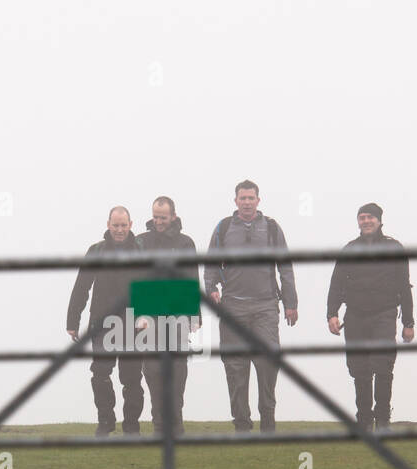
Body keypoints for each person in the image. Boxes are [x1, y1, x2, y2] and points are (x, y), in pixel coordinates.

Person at [204, 180, 298, 433]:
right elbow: (211, 264)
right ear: (235, 201)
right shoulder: (223, 228)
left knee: (268, 363)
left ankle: (267, 418)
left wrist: (291, 303)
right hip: (232, 306)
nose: (246, 202)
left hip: (266, 306)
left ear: (258, 200)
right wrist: (211, 288)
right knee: (235, 367)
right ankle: (242, 424)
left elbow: (285, 266)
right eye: (242, 198)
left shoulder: (272, 228)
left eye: (251, 198)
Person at [326, 202, 414, 431]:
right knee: (359, 369)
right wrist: (331, 314)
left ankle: (383, 420)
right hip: (355, 316)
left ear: (379, 220)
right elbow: (336, 284)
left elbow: (404, 286)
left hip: (385, 314)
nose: (366, 221)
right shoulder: (349, 249)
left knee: (383, 366)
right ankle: (364, 420)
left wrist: (408, 322)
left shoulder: (394, 248)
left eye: (370, 217)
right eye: (362, 217)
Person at [67, 206, 144, 437]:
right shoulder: (96, 251)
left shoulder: (142, 251)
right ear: (108, 224)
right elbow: (82, 287)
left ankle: (131, 427)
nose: (119, 230)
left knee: (131, 379)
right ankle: (105, 422)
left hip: (133, 324)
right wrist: (73, 321)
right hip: (102, 324)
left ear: (131, 225)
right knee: (100, 374)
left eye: (123, 225)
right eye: (115, 225)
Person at [134, 196, 198, 437]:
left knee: (177, 372)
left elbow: (192, 277)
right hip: (149, 315)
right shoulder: (141, 241)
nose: (158, 221)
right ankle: (159, 425)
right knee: (152, 371)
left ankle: (176, 423)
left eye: (163, 217)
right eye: (155, 217)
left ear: (173, 216)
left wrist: (195, 315)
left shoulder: (185, 243)